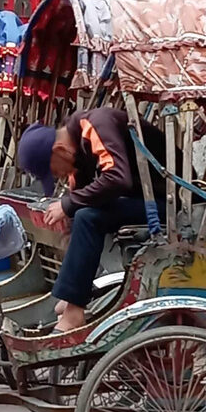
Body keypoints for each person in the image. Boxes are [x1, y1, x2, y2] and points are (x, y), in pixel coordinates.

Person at [18, 107, 167, 333]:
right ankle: (72, 299)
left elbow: (118, 178)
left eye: (55, 172)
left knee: (88, 216)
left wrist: (68, 204)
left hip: (167, 199)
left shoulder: (96, 124)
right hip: (142, 199)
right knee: (81, 214)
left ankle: (74, 312)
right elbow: (78, 202)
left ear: (60, 150)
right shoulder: (76, 153)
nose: (59, 178)